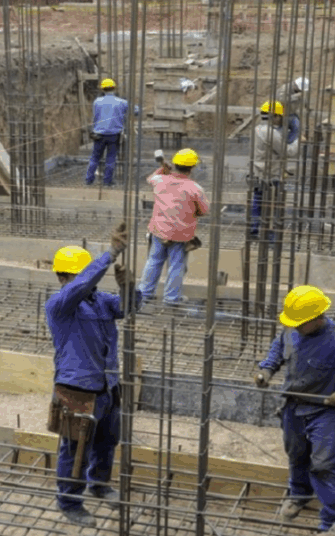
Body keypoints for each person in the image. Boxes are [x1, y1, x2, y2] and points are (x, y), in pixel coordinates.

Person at [253, 286, 335, 532]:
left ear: (317, 318)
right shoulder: (292, 329)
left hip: (326, 411)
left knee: (323, 466)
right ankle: (299, 493)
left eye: (301, 323)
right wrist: (266, 370)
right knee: (296, 453)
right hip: (293, 406)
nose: (295, 327)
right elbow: (279, 349)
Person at [46, 224, 142, 527]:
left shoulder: (100, 301)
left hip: (107, 385)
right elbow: (79, 288)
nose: (88, 279)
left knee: (107, 440)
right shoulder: (59, 304)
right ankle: (70, 501)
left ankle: (99, 485)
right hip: (76, 389)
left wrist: (128, 286)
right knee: (75, 449)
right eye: (81, 273)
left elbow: (129, 308)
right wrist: (110, 254)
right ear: (64, 276)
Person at [138, 148, 209, 306]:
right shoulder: (195, 188)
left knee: (154, 261)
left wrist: (163, 169)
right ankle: (171, 298)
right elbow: (204, 210)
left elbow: (151, 178)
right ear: (192, 168)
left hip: (159, 231)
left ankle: (144, 294)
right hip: (180, 234)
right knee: (176, 265)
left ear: (175, 165)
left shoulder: (160, 181)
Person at [251, 100, 301, 237]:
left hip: (258, 172)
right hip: (270, 174)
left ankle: (254, 228)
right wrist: (299, 140)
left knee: (258, 201)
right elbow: (288, 151)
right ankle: (270, 235)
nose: (281, 120)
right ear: (275, 116)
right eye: (280, 117)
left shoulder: (258, 128)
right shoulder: (270, 133)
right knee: (273, 204)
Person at [87, 78, 137, 186]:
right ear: (114, 88)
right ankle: (107, 181)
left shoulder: (97, 102)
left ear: (103, 89)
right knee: (111, 158)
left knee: (95, 157)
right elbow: (136, 110)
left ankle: (89, 179)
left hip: (98, 134)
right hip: (114, 135)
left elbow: (95, 117)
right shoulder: (121, 102)